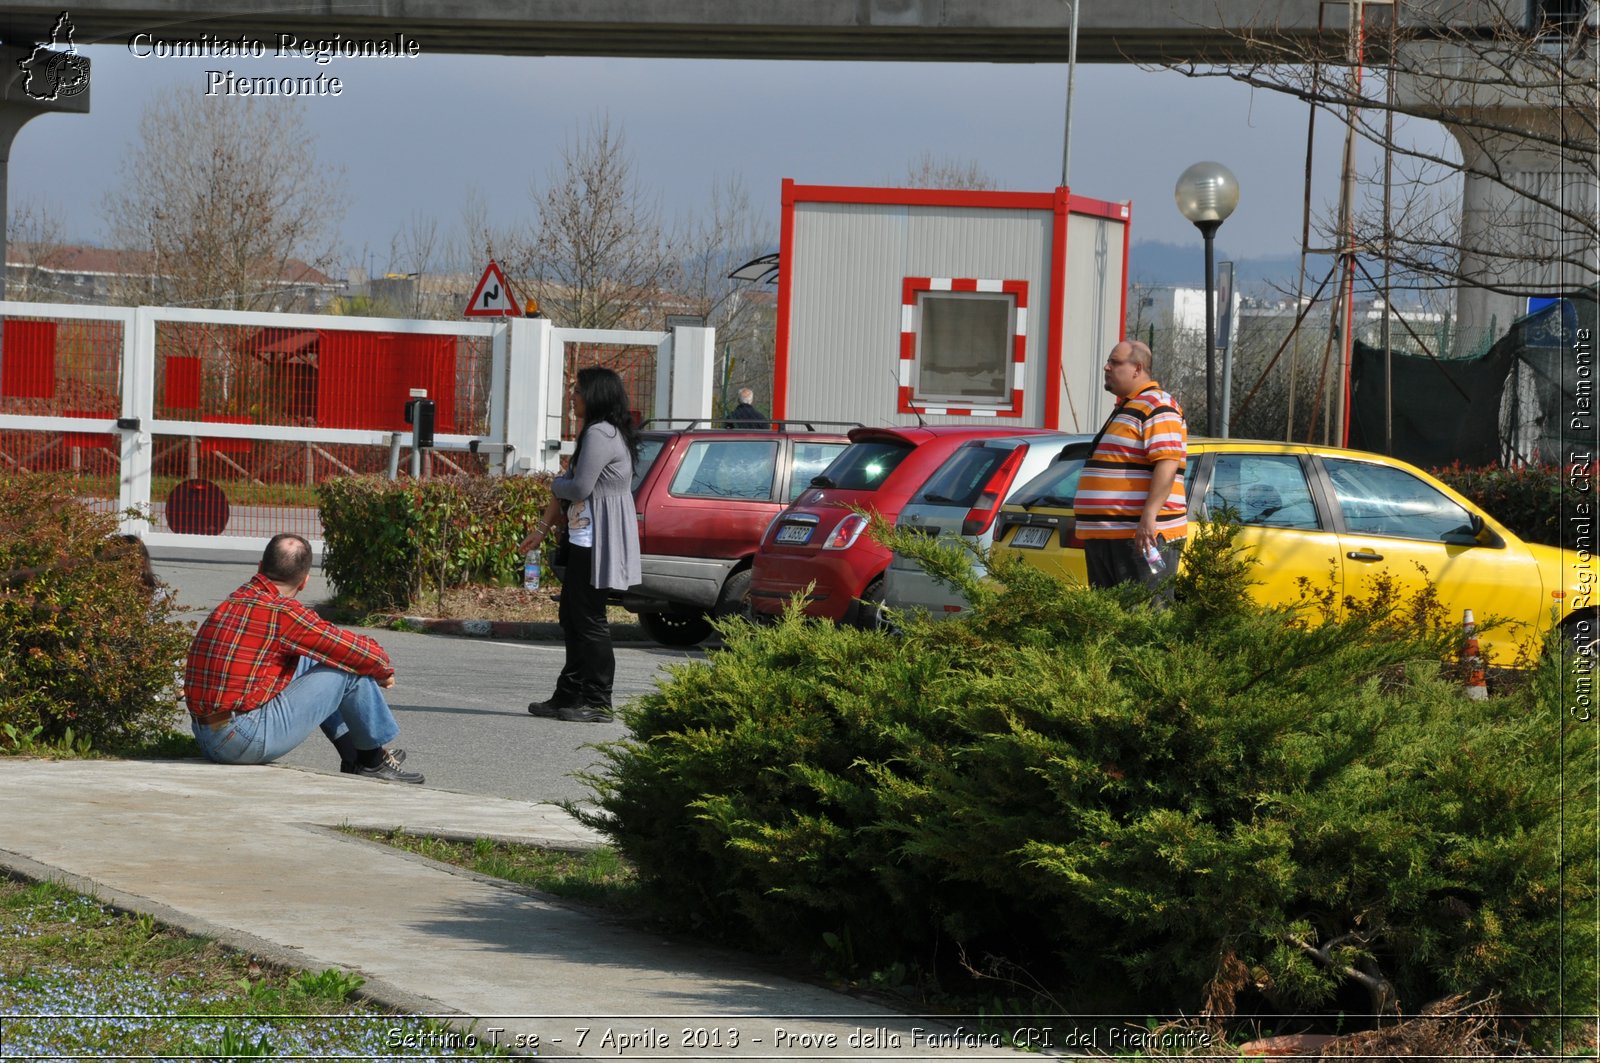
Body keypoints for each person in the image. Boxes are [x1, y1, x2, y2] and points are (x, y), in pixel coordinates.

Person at [183, 533, 422, 783]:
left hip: (207, 735)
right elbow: (362, 653)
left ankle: (353, 756)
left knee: (312, 658)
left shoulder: (234, 601)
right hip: (241, 740)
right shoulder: (284, 613)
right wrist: (382, 670)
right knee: (348, 668)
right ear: (304, 581)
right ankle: (372, 761)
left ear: (261, 568)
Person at [521, 367, 643, 723]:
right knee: (572, 617)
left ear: (594, 395)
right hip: (582, 538)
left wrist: (556, 483)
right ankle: (568, 695)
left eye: (576, 390)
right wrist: (542, 530)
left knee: (589, 620)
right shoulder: (599, 432)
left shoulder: (600, 434)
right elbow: (573, 489)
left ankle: (598, 701)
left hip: (596, 542)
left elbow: (577, 489)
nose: (571, 396)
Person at [1072, 340, 1189, 599]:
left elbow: (1167, 462)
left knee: (1144, 618)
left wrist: (1149, 517)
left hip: (1140, 537)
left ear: (1137, 368)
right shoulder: (1127, 406)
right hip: (1108, 537)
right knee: (1111, 622)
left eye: (1114, 362)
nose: (1106, 367)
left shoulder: (1157, 405)